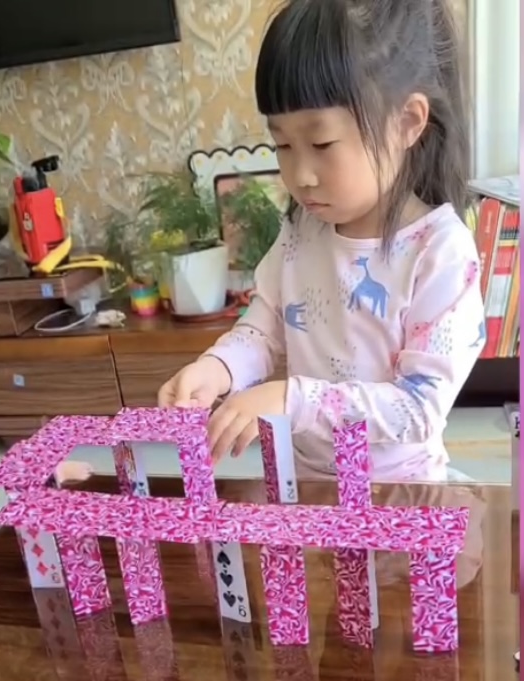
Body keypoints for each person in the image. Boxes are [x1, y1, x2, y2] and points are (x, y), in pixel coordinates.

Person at [158, 0, 485, 482]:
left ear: (407, 123)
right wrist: (218, 368)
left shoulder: (440, 252)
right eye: (283, 145)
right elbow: (261, 329)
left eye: (322, 143)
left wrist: (293, 399)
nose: (301, 175)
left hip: (399, 490)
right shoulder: (301, 232)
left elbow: (419, 408)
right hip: (306, 482)